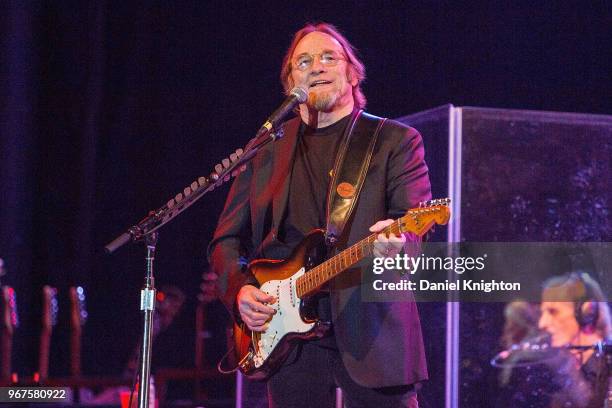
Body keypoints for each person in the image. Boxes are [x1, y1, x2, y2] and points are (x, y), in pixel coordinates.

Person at [208, 22, 431, 407]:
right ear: (290, 81)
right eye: (304, 61)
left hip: (371, 332)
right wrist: (240, 290)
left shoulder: (394, 141)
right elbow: (225, 240)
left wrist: (397, 243)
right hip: (289, 341)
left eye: (330, 57)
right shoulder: (265, 152)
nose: (317, 67)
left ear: (351, 72)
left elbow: (412, 227)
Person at [538, 272, 611, 407]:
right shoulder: (563, 369)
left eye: (553, 311)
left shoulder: (607, 366)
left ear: (586, 311)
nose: (542, 323)